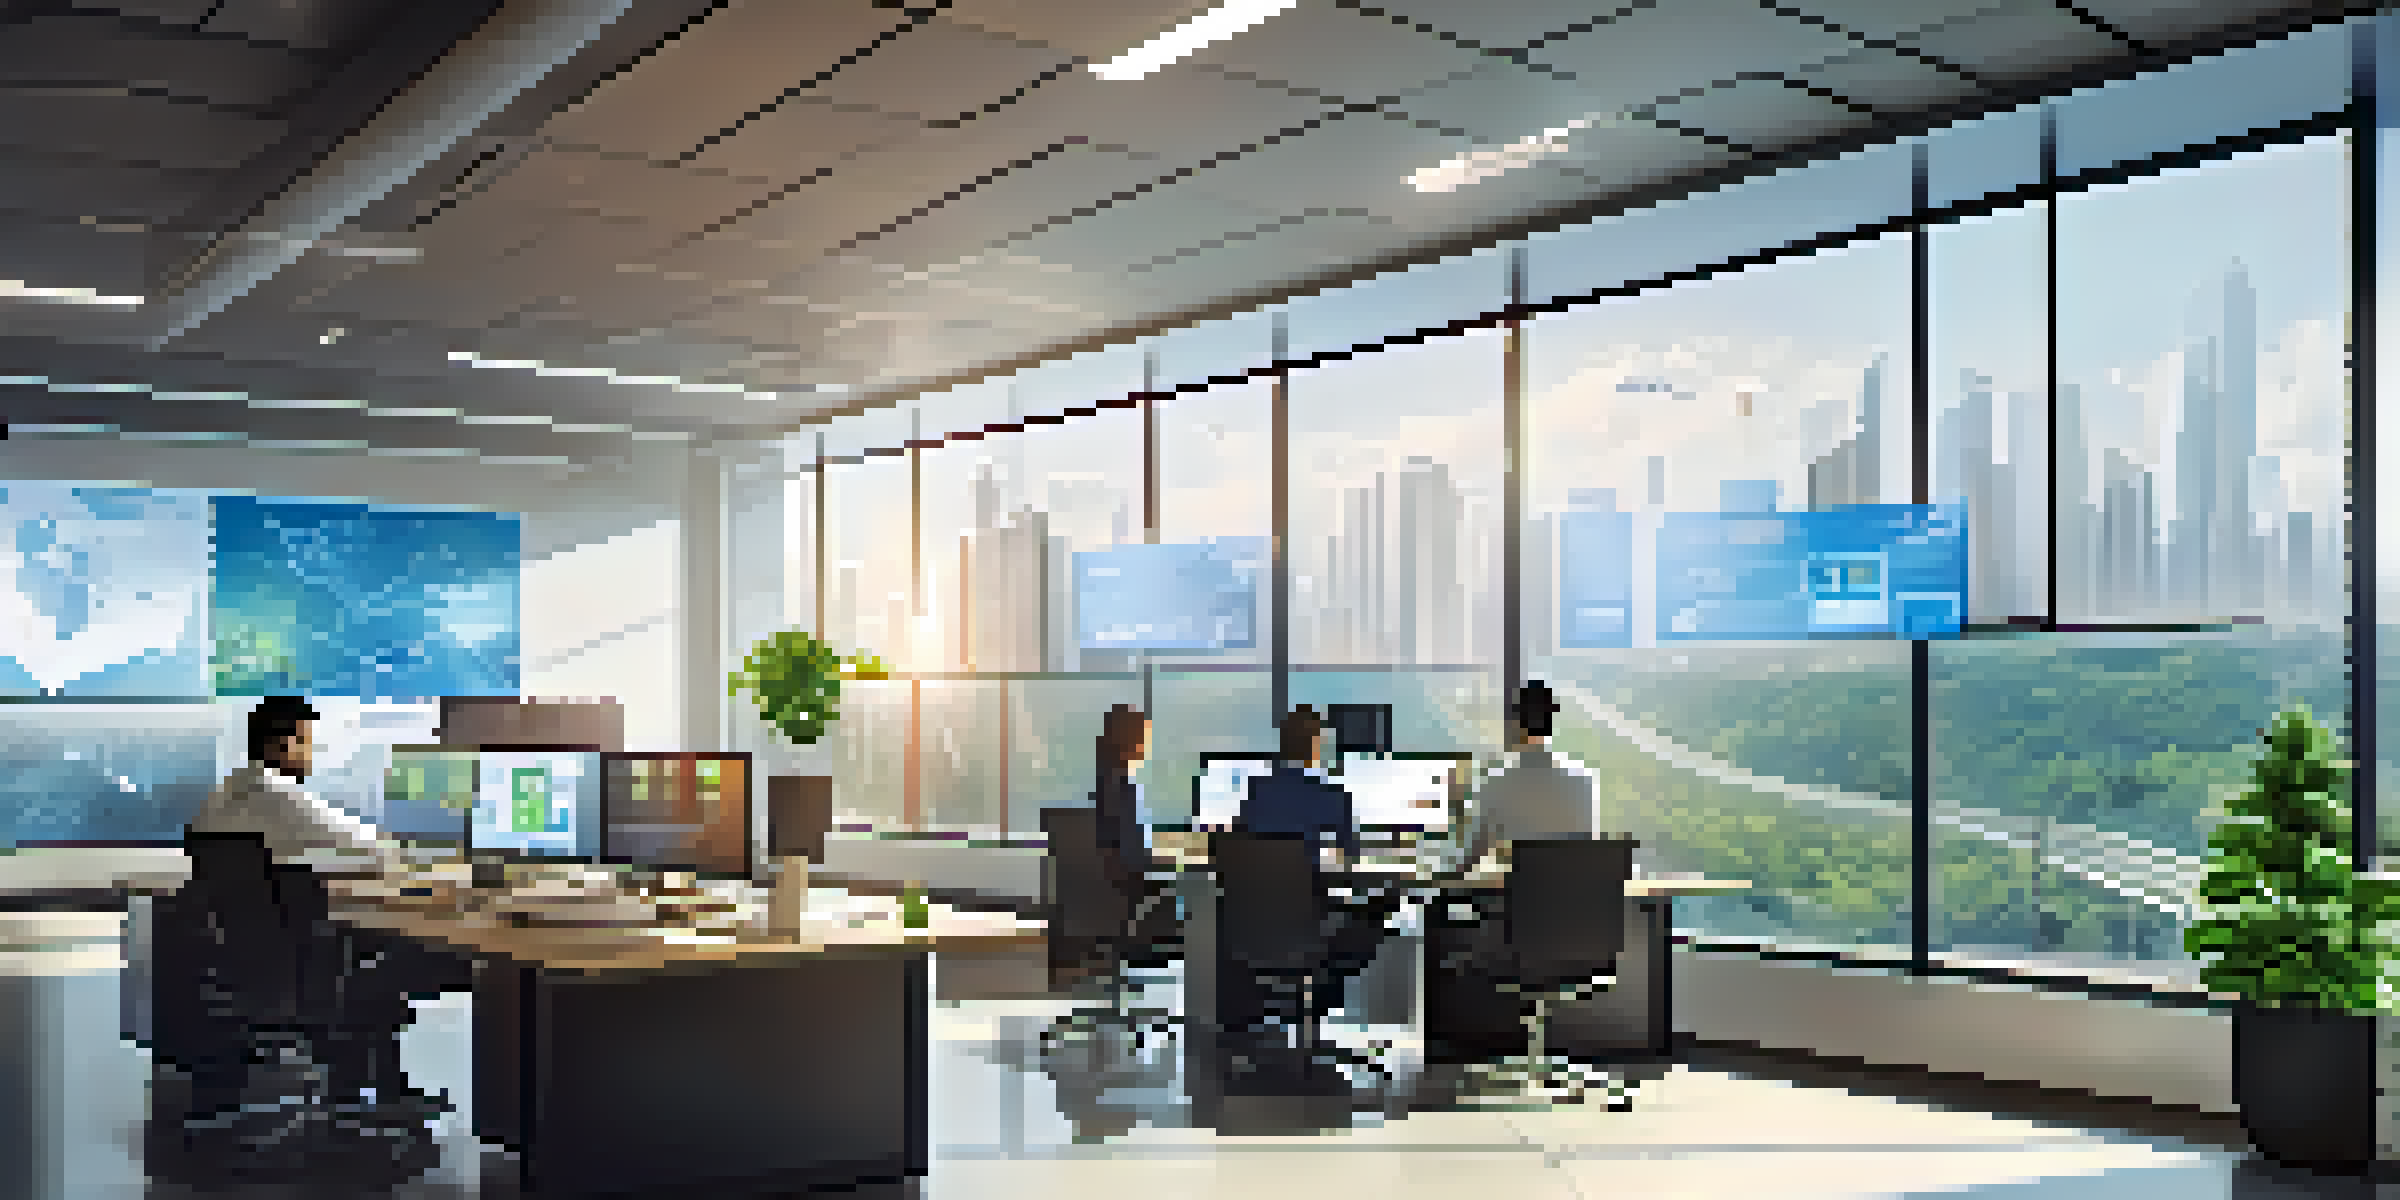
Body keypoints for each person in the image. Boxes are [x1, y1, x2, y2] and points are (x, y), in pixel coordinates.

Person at [180, 696, 469, 1127]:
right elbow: (358, 840)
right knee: (408, 955)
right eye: (306, 744)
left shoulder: (225, 796)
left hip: (254, 962)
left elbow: (290, 856)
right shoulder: (277, 793)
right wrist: (418, 861)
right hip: (299, 969)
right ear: (283, 744)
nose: (310, 756)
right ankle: (385, 1090)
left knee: (364, 943)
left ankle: (355, 1087)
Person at [1449, 680, 1598, 873]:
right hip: (1570, 896)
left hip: (1517, 898)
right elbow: (1588, 849)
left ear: (1515, 726)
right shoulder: (1581, 780)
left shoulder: (1497, 782)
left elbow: (1473, 855)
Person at [1236, 705, 1361, 863]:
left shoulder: (1257, 789)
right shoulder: (1332, 796)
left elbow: (1241, 838)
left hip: (1257, 883)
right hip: (1307, 884)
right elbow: (1350, 853)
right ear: (1315, 746)